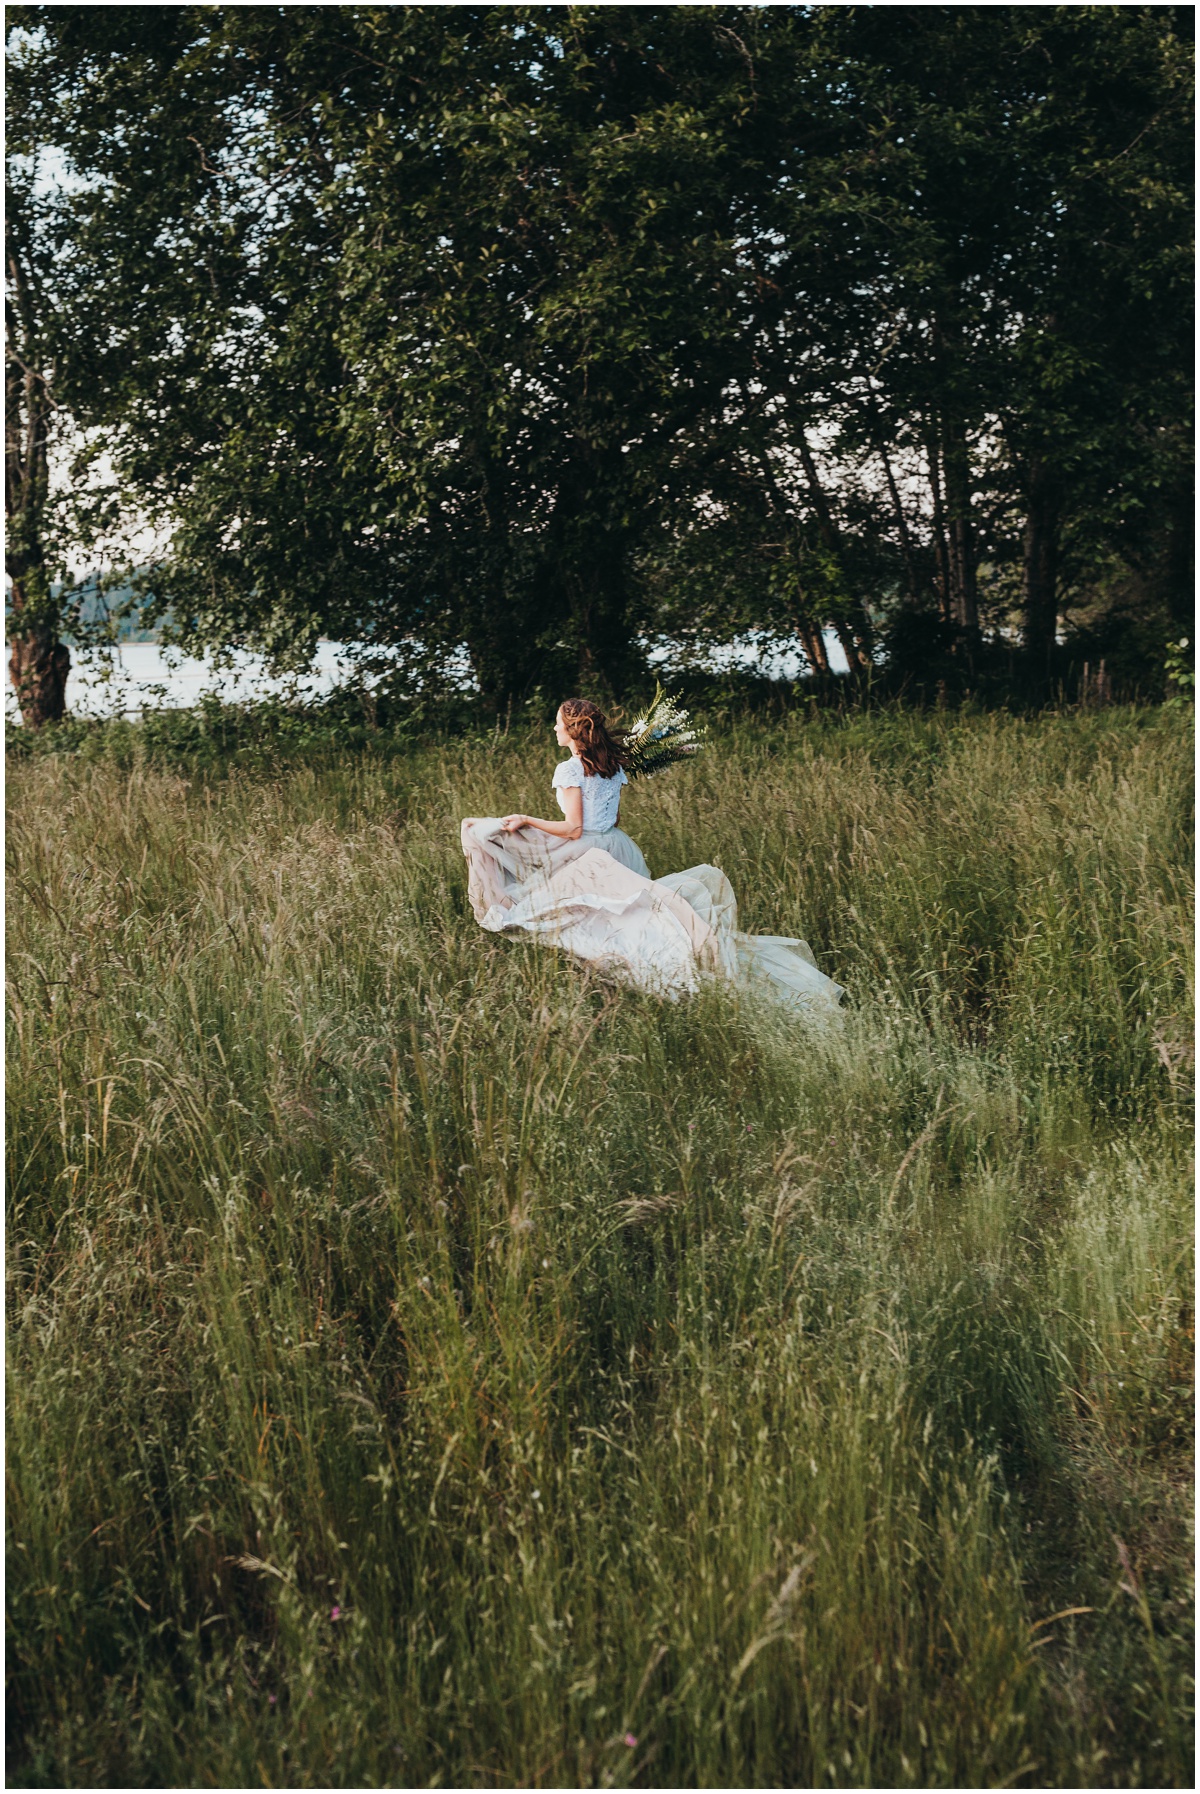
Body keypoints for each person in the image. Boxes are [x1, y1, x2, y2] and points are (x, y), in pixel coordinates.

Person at [460, 696, 843, 1010]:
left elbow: (574, 828)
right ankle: (643, 977)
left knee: (589, 921)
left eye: (559, 723)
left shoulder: (570, 770)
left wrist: (527, 819)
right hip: (619, 845)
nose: (555, 728)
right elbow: (614, 815)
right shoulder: (612, 764)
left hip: (589, 851)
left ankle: (644, 983)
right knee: (631, 921)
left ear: (573, 731)